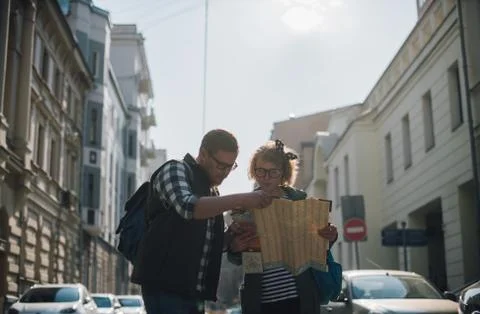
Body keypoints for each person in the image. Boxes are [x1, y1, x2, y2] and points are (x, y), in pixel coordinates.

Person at [131, 129, 278, 314]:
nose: (225, 173)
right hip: (165, 286)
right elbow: (188, 207)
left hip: (194, 292)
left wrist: (231, 240)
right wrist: (243, 199)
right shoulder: (175, 169)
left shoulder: (212, 191)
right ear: (203, 154)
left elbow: (207, 242)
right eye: (220, 165)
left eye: (230, 167)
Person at [227, 139, 340, 314]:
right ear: (253, 171)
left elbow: (317, 244)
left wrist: (329, 236)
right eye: (261, 171)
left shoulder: (299, 201)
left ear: (283, 174)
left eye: (273, 172)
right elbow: (234, 257)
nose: (266, 177)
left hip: (300, 295)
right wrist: (235, 248)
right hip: (261, 300)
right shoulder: (245, 205)